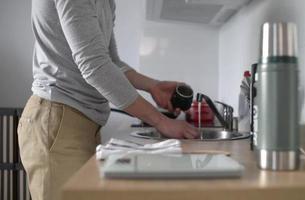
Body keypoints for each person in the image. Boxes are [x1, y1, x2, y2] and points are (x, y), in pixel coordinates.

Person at [17, 1, 199, 200]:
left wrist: (154, 86)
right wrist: (161, 121)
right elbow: (94, 66)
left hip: (82, 124)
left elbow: (110, 62)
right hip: (57, 122)